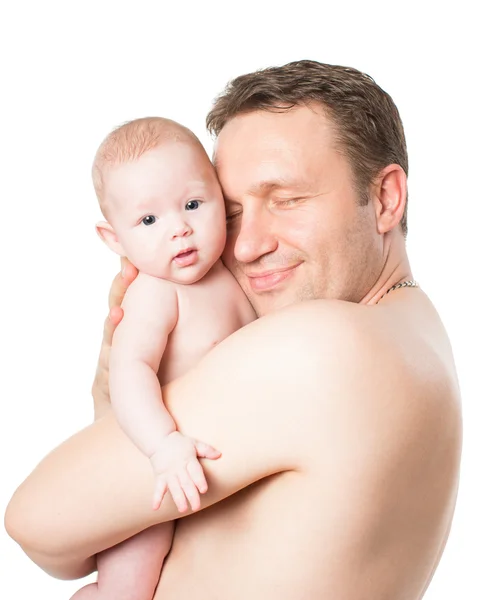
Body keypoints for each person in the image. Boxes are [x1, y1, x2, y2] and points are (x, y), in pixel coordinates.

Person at [5, 60, 462, 599]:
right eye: (232, 212)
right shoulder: (417, 336)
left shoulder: (324, 346)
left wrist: (111, 380)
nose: (244, 247)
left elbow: (38, 524)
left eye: (287, 200)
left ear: (386, 197)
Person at [70, 116, 256, 599]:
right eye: (149, 220)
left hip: (209, 474)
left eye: (194, 204)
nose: (179, 229)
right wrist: (162, 445)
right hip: (150, 469)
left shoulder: (234, 276)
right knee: (129, 585)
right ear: (115, 239)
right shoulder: (153, 292)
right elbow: (129, 373)